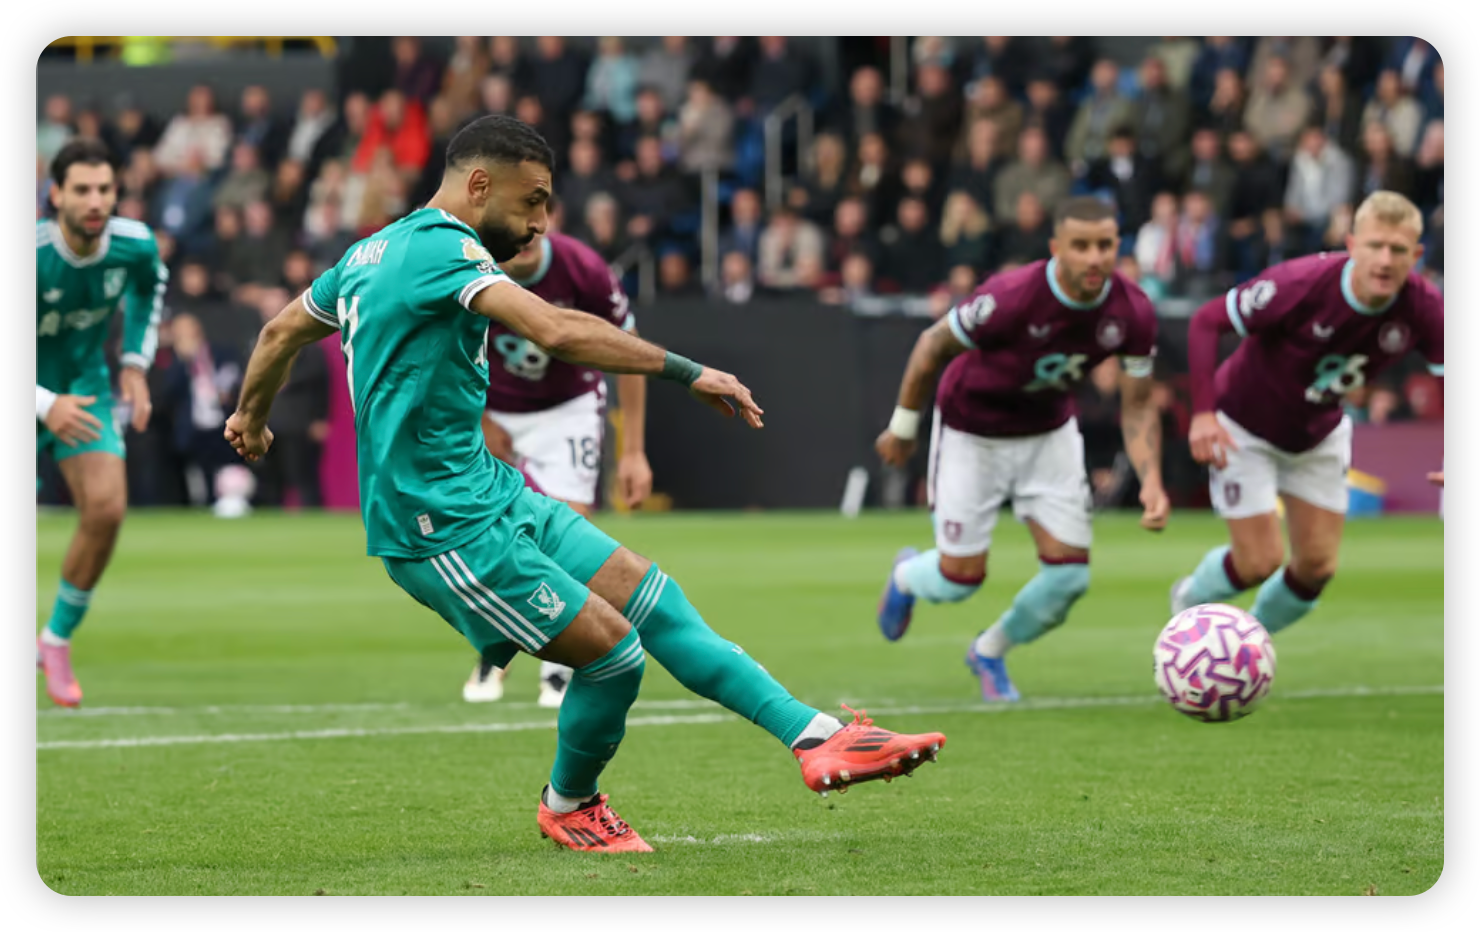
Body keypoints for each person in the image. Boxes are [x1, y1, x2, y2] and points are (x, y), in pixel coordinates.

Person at [223, 114, 946, 854]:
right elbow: (558, 332)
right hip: (438, 525)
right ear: (479, 184)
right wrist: (689, 371)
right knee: (613, 654)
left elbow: (281, 330)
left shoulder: (372, 250)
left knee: (651, 595)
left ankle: (819, 736)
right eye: (531, 201)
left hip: (491, 492)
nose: (540, 223)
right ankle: (571, 805)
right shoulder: (443, 249)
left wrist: (250, 415)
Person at [875, 196, 1169, 702]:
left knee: (1069, 578)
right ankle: (907, 576)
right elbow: (931, 346)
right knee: (958, 579)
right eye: (1081, 246)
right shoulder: (1011, 296)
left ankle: (989, 651)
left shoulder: (1133, 311)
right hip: (973, 433)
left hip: (1048, 436)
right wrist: (903, 425)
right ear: (1057, 249)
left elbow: (1139, 404)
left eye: (1105, 245)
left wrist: (1152, 480)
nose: (1095, 257)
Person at [1170, 191, 1443, 635]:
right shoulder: (1300, 284)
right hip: (1243, 425)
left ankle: (1247, 646)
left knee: (1316, 566)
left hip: (1318, 432)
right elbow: (1206, 321)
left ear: (1416, 255)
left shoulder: (1424, 306)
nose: (1385, 259)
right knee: (1258, 561)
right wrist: (1202, 414)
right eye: (1375, 245)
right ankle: (1188, 601)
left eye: (1398, 250)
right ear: (1352, 245)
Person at [463, 221, 653, 709]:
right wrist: (480, 417)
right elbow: (444, 351)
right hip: (492, 406)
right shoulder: (470, 264)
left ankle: (560, 663)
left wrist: (632, 450)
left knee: (570, 530)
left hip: (565, 408)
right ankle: (496, 647)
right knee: (485, 536)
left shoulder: (582, 268)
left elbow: (630, 350)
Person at [36, 138, 167, 707]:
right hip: (47, 393)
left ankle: (55, 640)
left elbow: (149, 291)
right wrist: (45, 404)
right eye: (83, 190)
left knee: (108, 508)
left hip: (85, 386)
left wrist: (134, 366)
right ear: (56, 194)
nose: (96, 201)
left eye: (106, 190)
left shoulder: (134, 245)